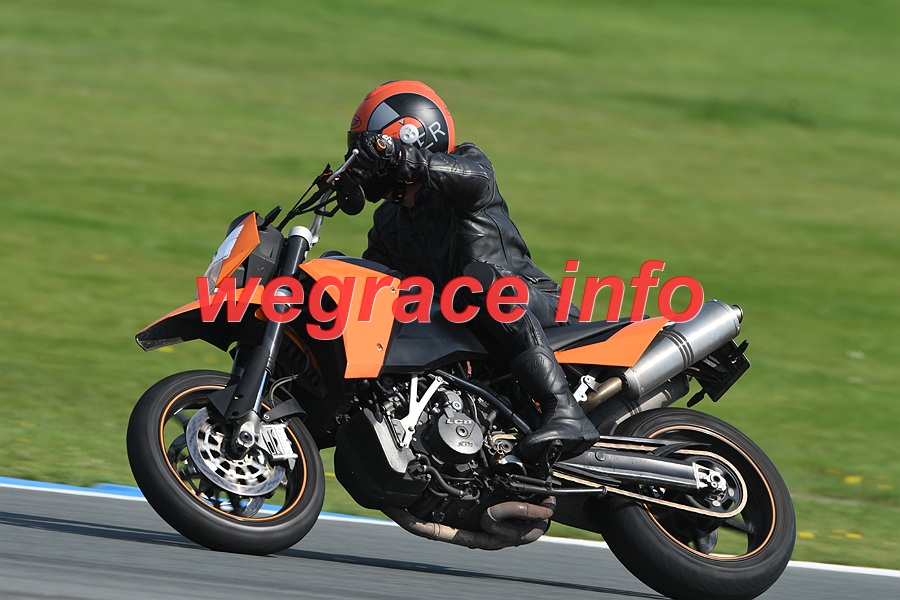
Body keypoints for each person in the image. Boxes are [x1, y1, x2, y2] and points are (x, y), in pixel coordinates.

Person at [346, 80, 600, 461]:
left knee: (478, 282)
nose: (365, 161)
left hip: (537, 306)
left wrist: (405, 158)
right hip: (473, 335)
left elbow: (472, 178)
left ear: (413, 134)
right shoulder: (387, 222)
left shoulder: (467, 166)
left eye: (372, 147)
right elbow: (376, 284)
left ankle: (563, 409)